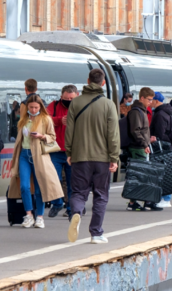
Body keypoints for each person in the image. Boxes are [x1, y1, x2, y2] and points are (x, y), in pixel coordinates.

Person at [65, 68, 120, 245]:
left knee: (79, 193)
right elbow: (113, 134)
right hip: (102, 159)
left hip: (80, 157)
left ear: (88, 80)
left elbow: (69, 131)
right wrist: (114, 157)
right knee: (101, 195)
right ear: (103, 83)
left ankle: (76, 212)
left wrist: (69, 152)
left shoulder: (76, 103)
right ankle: (96, 233)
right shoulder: (108, 104)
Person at [8, 96, 64, 228]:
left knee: (39, 189)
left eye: (36, 107)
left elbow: (52, 137)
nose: (33, 110)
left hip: (39, 155)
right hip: (24, 154)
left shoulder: (45, 119)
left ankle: (40, 217)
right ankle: (29, 215)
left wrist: (42, 136)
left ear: (40, 107)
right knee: (24, 186)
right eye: (31, 107)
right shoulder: (23, 119)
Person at [46, 85, 78, 218]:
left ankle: (71, 209)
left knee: (72, 182)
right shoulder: (53, 106)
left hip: (73, 151)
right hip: (56, 149)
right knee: (53, 179)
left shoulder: (81, 107)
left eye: (71, 98)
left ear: (77, 96)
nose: (68, 100)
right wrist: (59, 120)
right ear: (61, 97)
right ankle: (57, 203)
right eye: (66, 98)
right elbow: (44, 120)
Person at [126, 87, 158, 212]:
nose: (150, 102)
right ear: (142, 98)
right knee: (139, 174)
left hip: (141, 146)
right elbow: (136, 130)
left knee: (141, 174)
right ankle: (133, 202)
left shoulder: (142, 110)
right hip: (138, 147)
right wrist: (145, 144)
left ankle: (140, 201)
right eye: (149, 99)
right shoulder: (136, 112)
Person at [150, 92, 172, 208]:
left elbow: (160, 133)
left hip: (161, 147)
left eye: (152, 100)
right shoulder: (167, 112)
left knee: (162, 173)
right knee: (166, 172)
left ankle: (165, 198)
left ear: (156, 101)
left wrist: (153, 138)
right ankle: (165, 198)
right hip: (168, 147)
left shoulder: (159, 114)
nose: (150, 102)